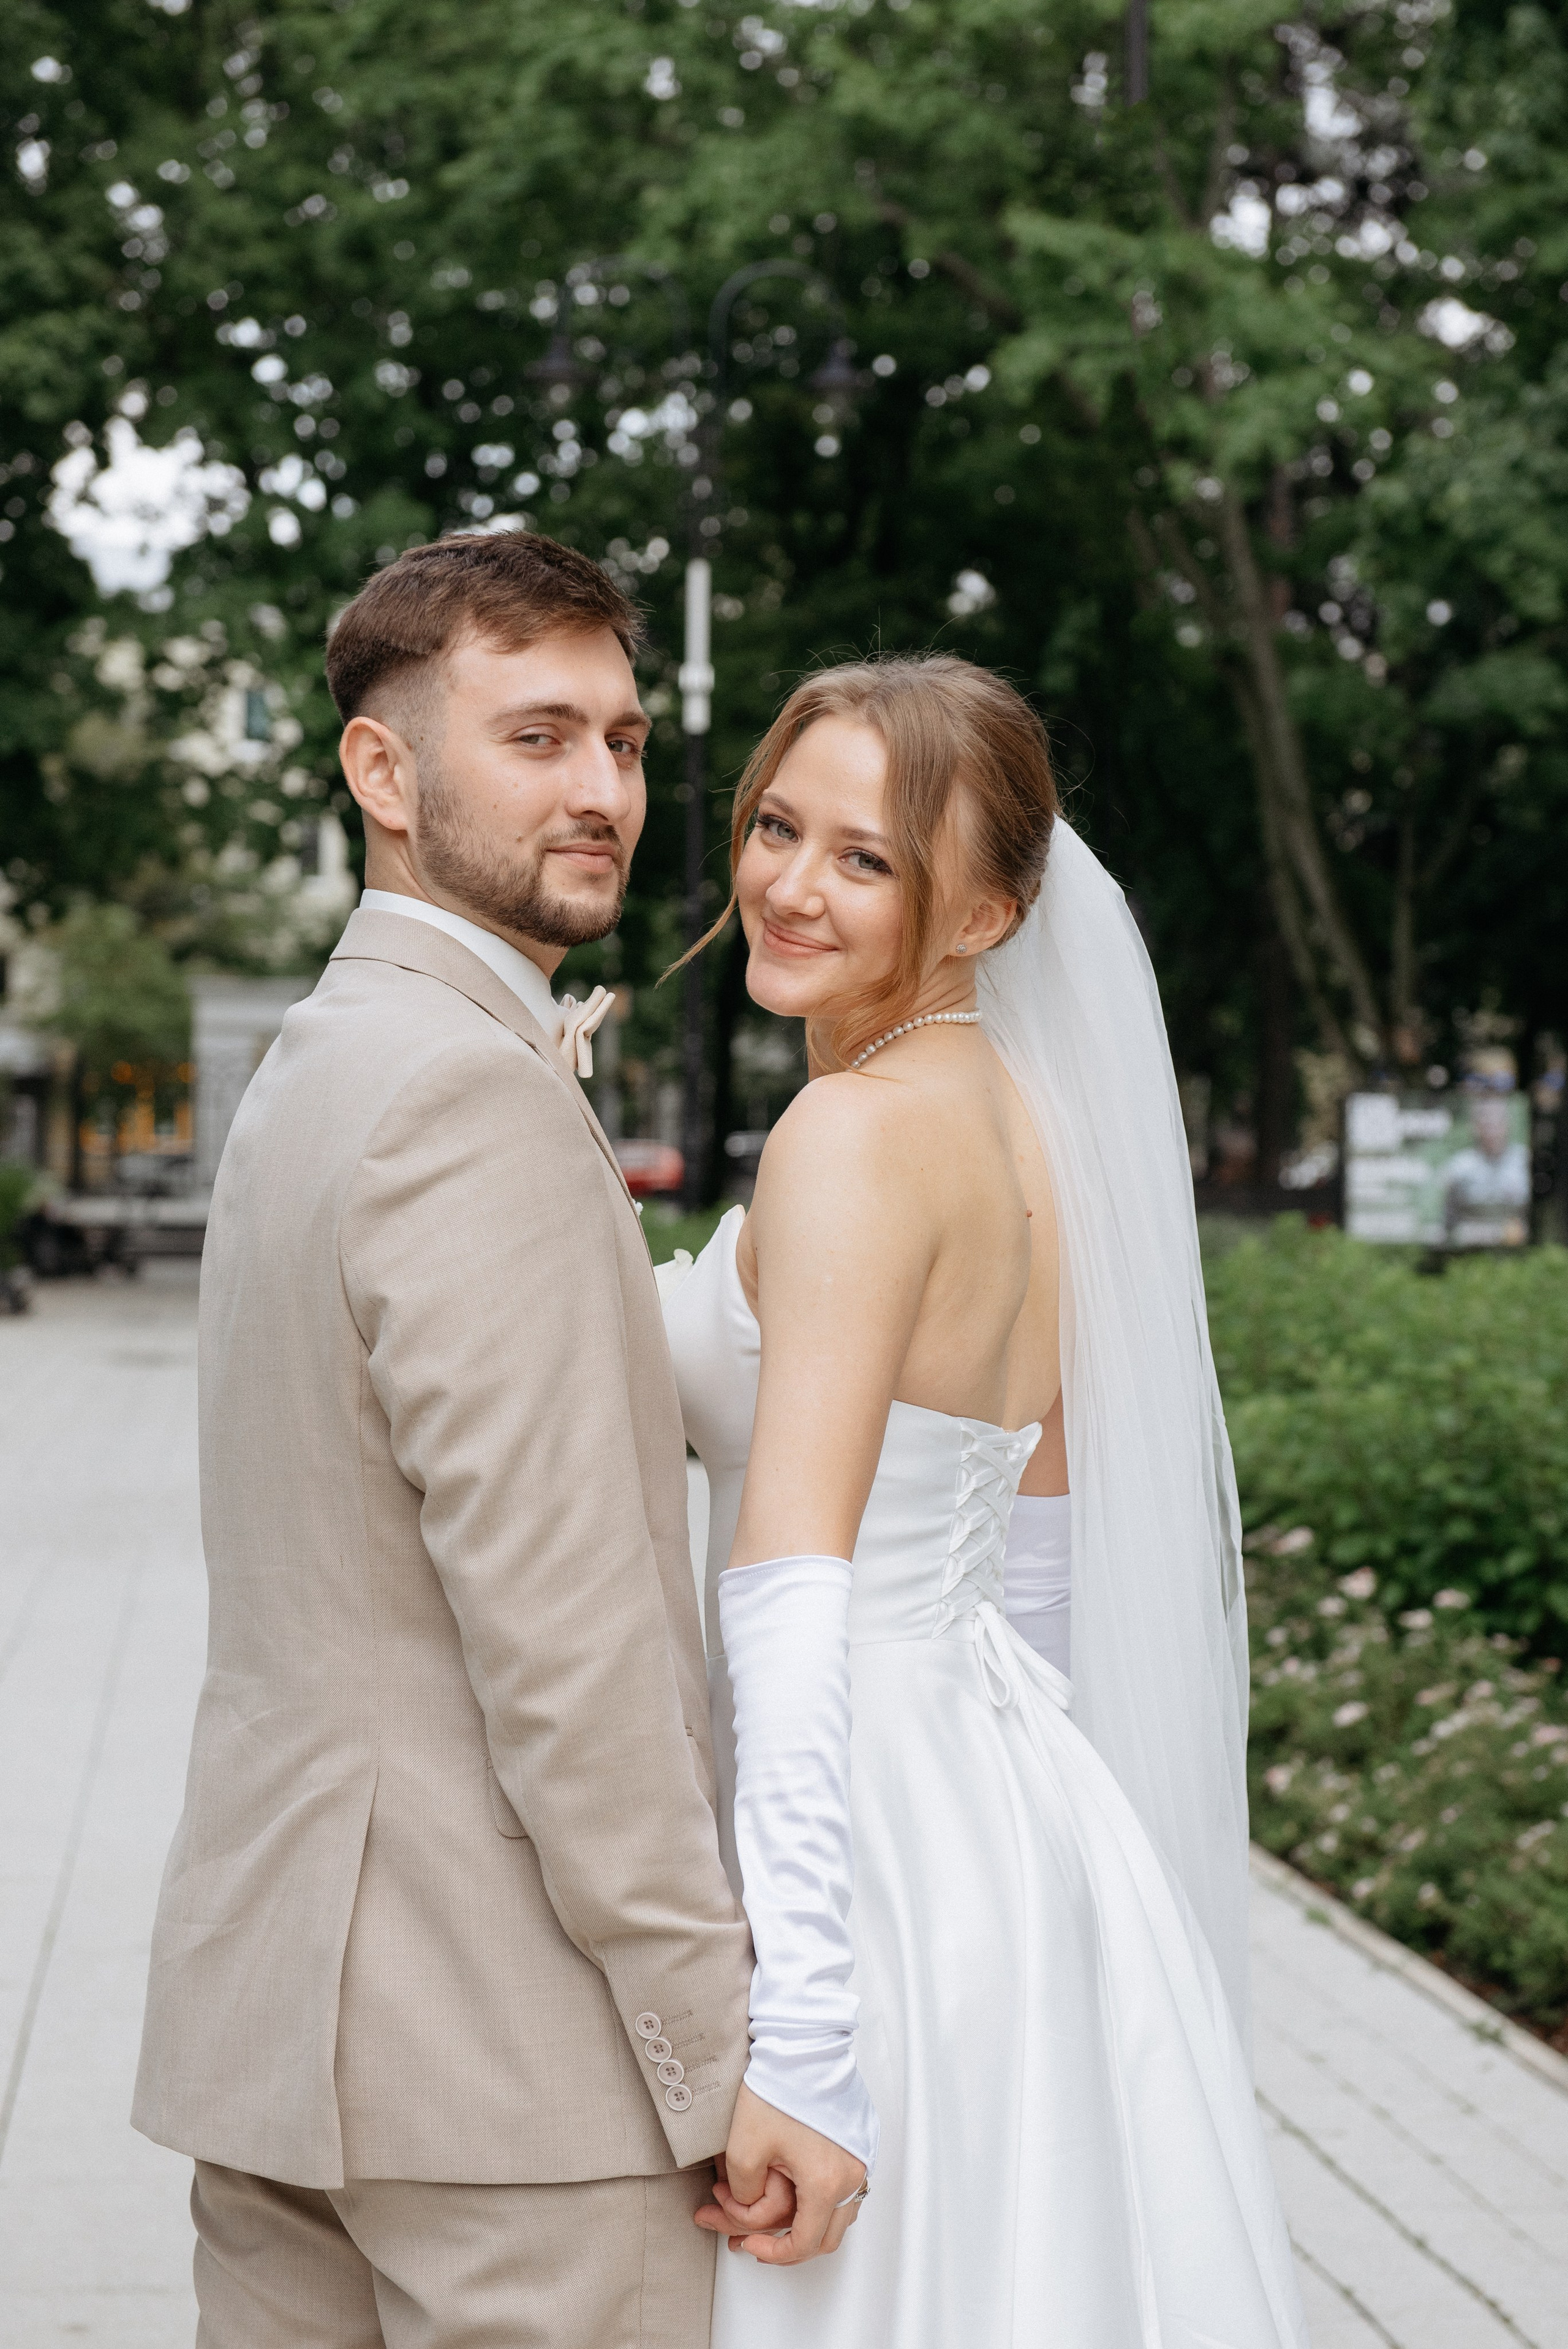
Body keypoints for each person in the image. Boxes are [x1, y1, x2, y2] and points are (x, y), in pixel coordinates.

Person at [135, 530, 787, 2347]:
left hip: (285, 2031)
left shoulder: (326, 1052)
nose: (604, 791)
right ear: (381, 767)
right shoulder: (464, 1095)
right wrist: (710, 2043)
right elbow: (568, 1644)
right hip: (507, 2077)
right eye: (541, 736)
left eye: (631, 742)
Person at [661, 656, 1308, 2346]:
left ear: (992, 910)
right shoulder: (1030, 1129)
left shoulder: (856, 1136)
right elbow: (1041, 1543)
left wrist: (808, 2036)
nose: (790, 886)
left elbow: (794, 1579)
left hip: (856, 1820)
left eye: (866, 858)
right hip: (1010, 1813)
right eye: (777, 825)